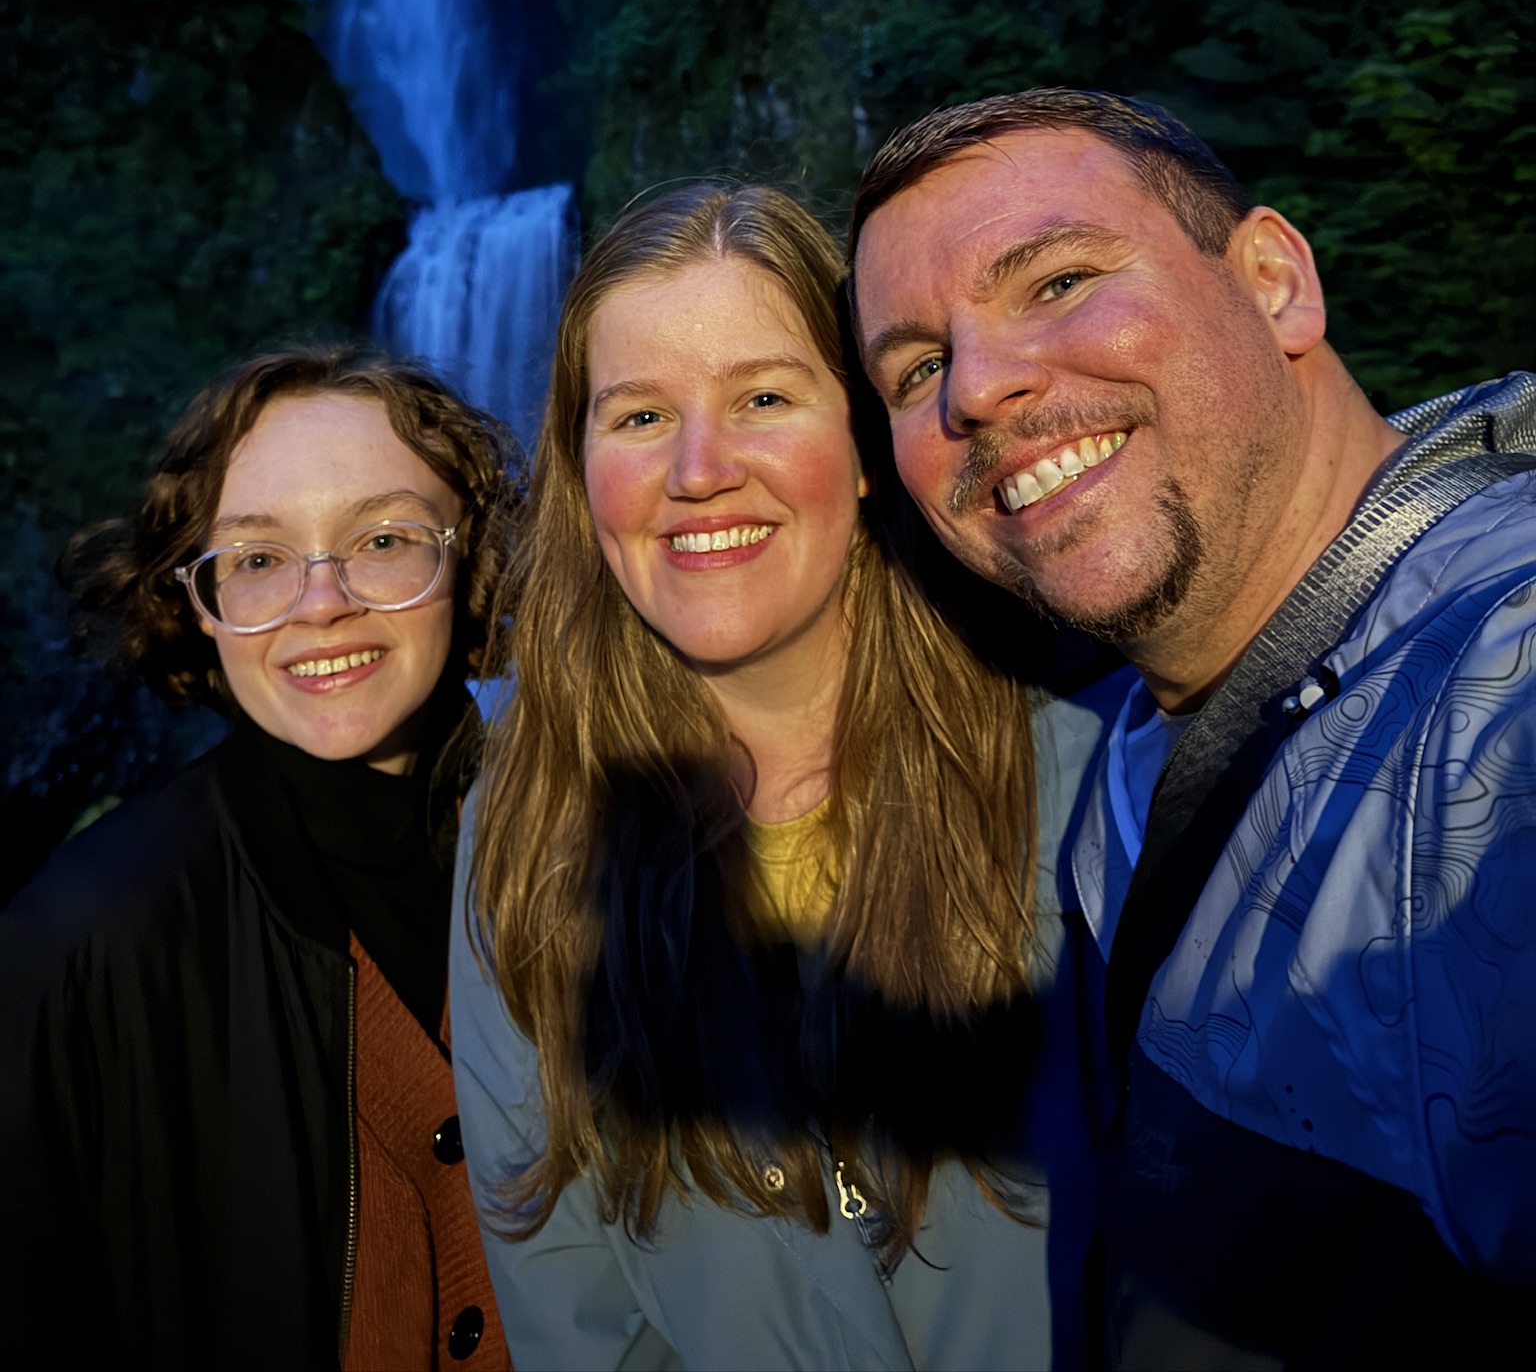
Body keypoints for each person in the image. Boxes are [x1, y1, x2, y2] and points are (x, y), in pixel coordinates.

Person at [847, 86, 1536, 1368]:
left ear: (1275, 281)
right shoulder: (1118, 739)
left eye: (1057, 279)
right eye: (919, 366)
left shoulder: (1498, 691)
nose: (981, 390)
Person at [451, 183, 1100, 1372]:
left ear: (862, 448)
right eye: (639, 415)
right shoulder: (527, 827)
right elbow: (573, 1312)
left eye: (762, 396)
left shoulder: (1085, 766)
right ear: (580, 466)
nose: (700, 469)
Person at [0, 346, 519, 1372]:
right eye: (258, 557)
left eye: (382, 537)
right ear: (198, 602)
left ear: (469, 562)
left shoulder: (608, 863)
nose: (320, 602)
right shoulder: (79, 935)